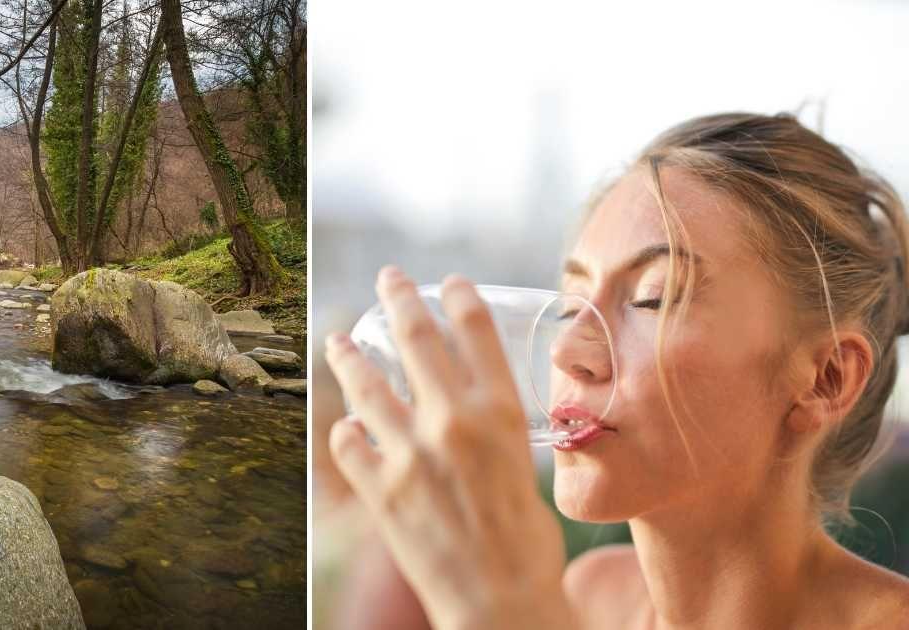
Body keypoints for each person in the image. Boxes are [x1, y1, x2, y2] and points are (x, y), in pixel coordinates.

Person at [324, 112, 909, 629]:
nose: (566, 350)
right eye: (572, 300)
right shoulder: (591, 595)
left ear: (826, 378)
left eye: (653, 297)